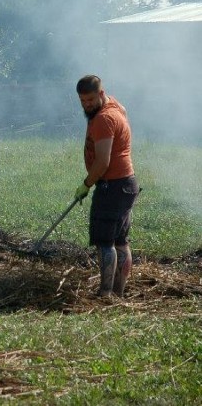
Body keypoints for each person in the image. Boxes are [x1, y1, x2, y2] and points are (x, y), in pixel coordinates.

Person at [74, 75, 140, 298]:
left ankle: (105, 294)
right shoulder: (116, 105)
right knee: (121, 241)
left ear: (101, 94)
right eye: (82, 101)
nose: (87, 105)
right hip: (126, 184)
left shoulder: (103, 119)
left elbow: (103, 162)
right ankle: (118, 294)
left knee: (105, 242)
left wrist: (86, 184)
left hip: (112, 186)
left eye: (90, 100)